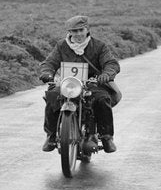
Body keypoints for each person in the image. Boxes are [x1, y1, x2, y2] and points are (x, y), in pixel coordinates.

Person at [38, 15, 120, 153]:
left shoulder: (99, 46)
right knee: (52, 96)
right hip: (68, 83)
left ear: (87, 29)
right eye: (74, 31)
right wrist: (47, 73)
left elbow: (110, 63)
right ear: (69, 32)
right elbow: (49, 63)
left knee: (102, 99)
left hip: (92, 83)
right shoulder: (61, 46)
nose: (78, 34)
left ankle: (107, 137)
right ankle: (51, 136)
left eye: (81, 30)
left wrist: (106, 75)